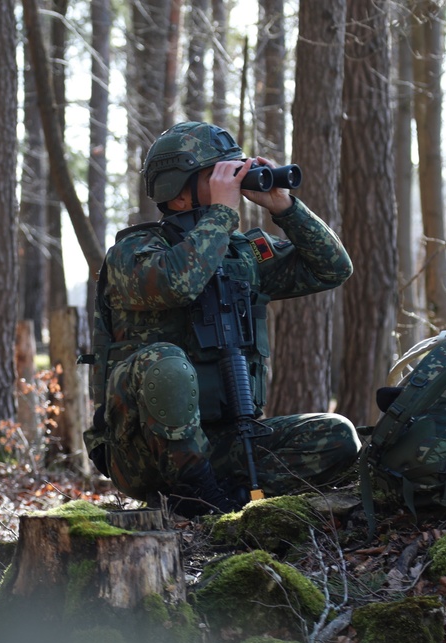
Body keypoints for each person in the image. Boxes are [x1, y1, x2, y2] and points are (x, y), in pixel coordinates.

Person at [83, 121, 361, 516]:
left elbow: (332, 269)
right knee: (165, 362)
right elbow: (178, 282)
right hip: (144, 452)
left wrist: (284, 206)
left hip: (228, 441)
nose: (230, 183)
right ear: (177, 193)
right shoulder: (134, 252)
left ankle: (227, 495)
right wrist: (222, 213)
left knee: (338, 437)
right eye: (217, 175)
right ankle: (201, 499)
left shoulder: (240, 254)